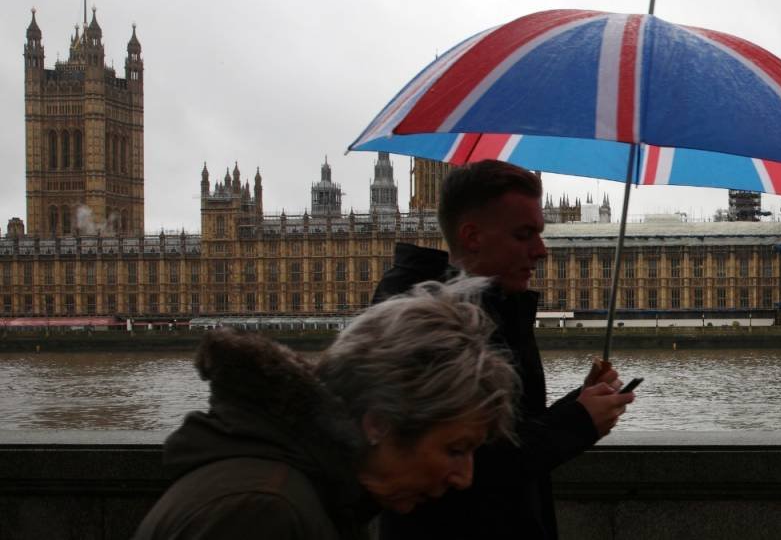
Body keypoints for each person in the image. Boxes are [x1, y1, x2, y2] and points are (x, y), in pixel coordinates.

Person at [133, 278, 519, 540]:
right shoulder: (262, 513)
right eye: (455, 449)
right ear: (378, 424)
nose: (465, 477)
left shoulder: (310, 491)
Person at [374, 159, 635, 540]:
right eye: (524, 234)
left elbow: (505, 433)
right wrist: (576, 422)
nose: (542, 251)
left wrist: (578, 403)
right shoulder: (424, 328)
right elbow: (467, 470)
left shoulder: (491, 310)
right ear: (472, 236)